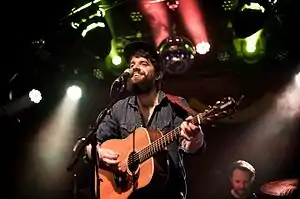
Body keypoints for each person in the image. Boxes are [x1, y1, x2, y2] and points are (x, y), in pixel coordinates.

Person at [90, 41, 206, 199]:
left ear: (158, 74)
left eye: (143, 63)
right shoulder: (119, 108)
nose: (135, 67)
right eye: (132, 64)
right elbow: (92, 144)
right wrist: (98, 153)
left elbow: (190, 148)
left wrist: (195, 137)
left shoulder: (175, 105)